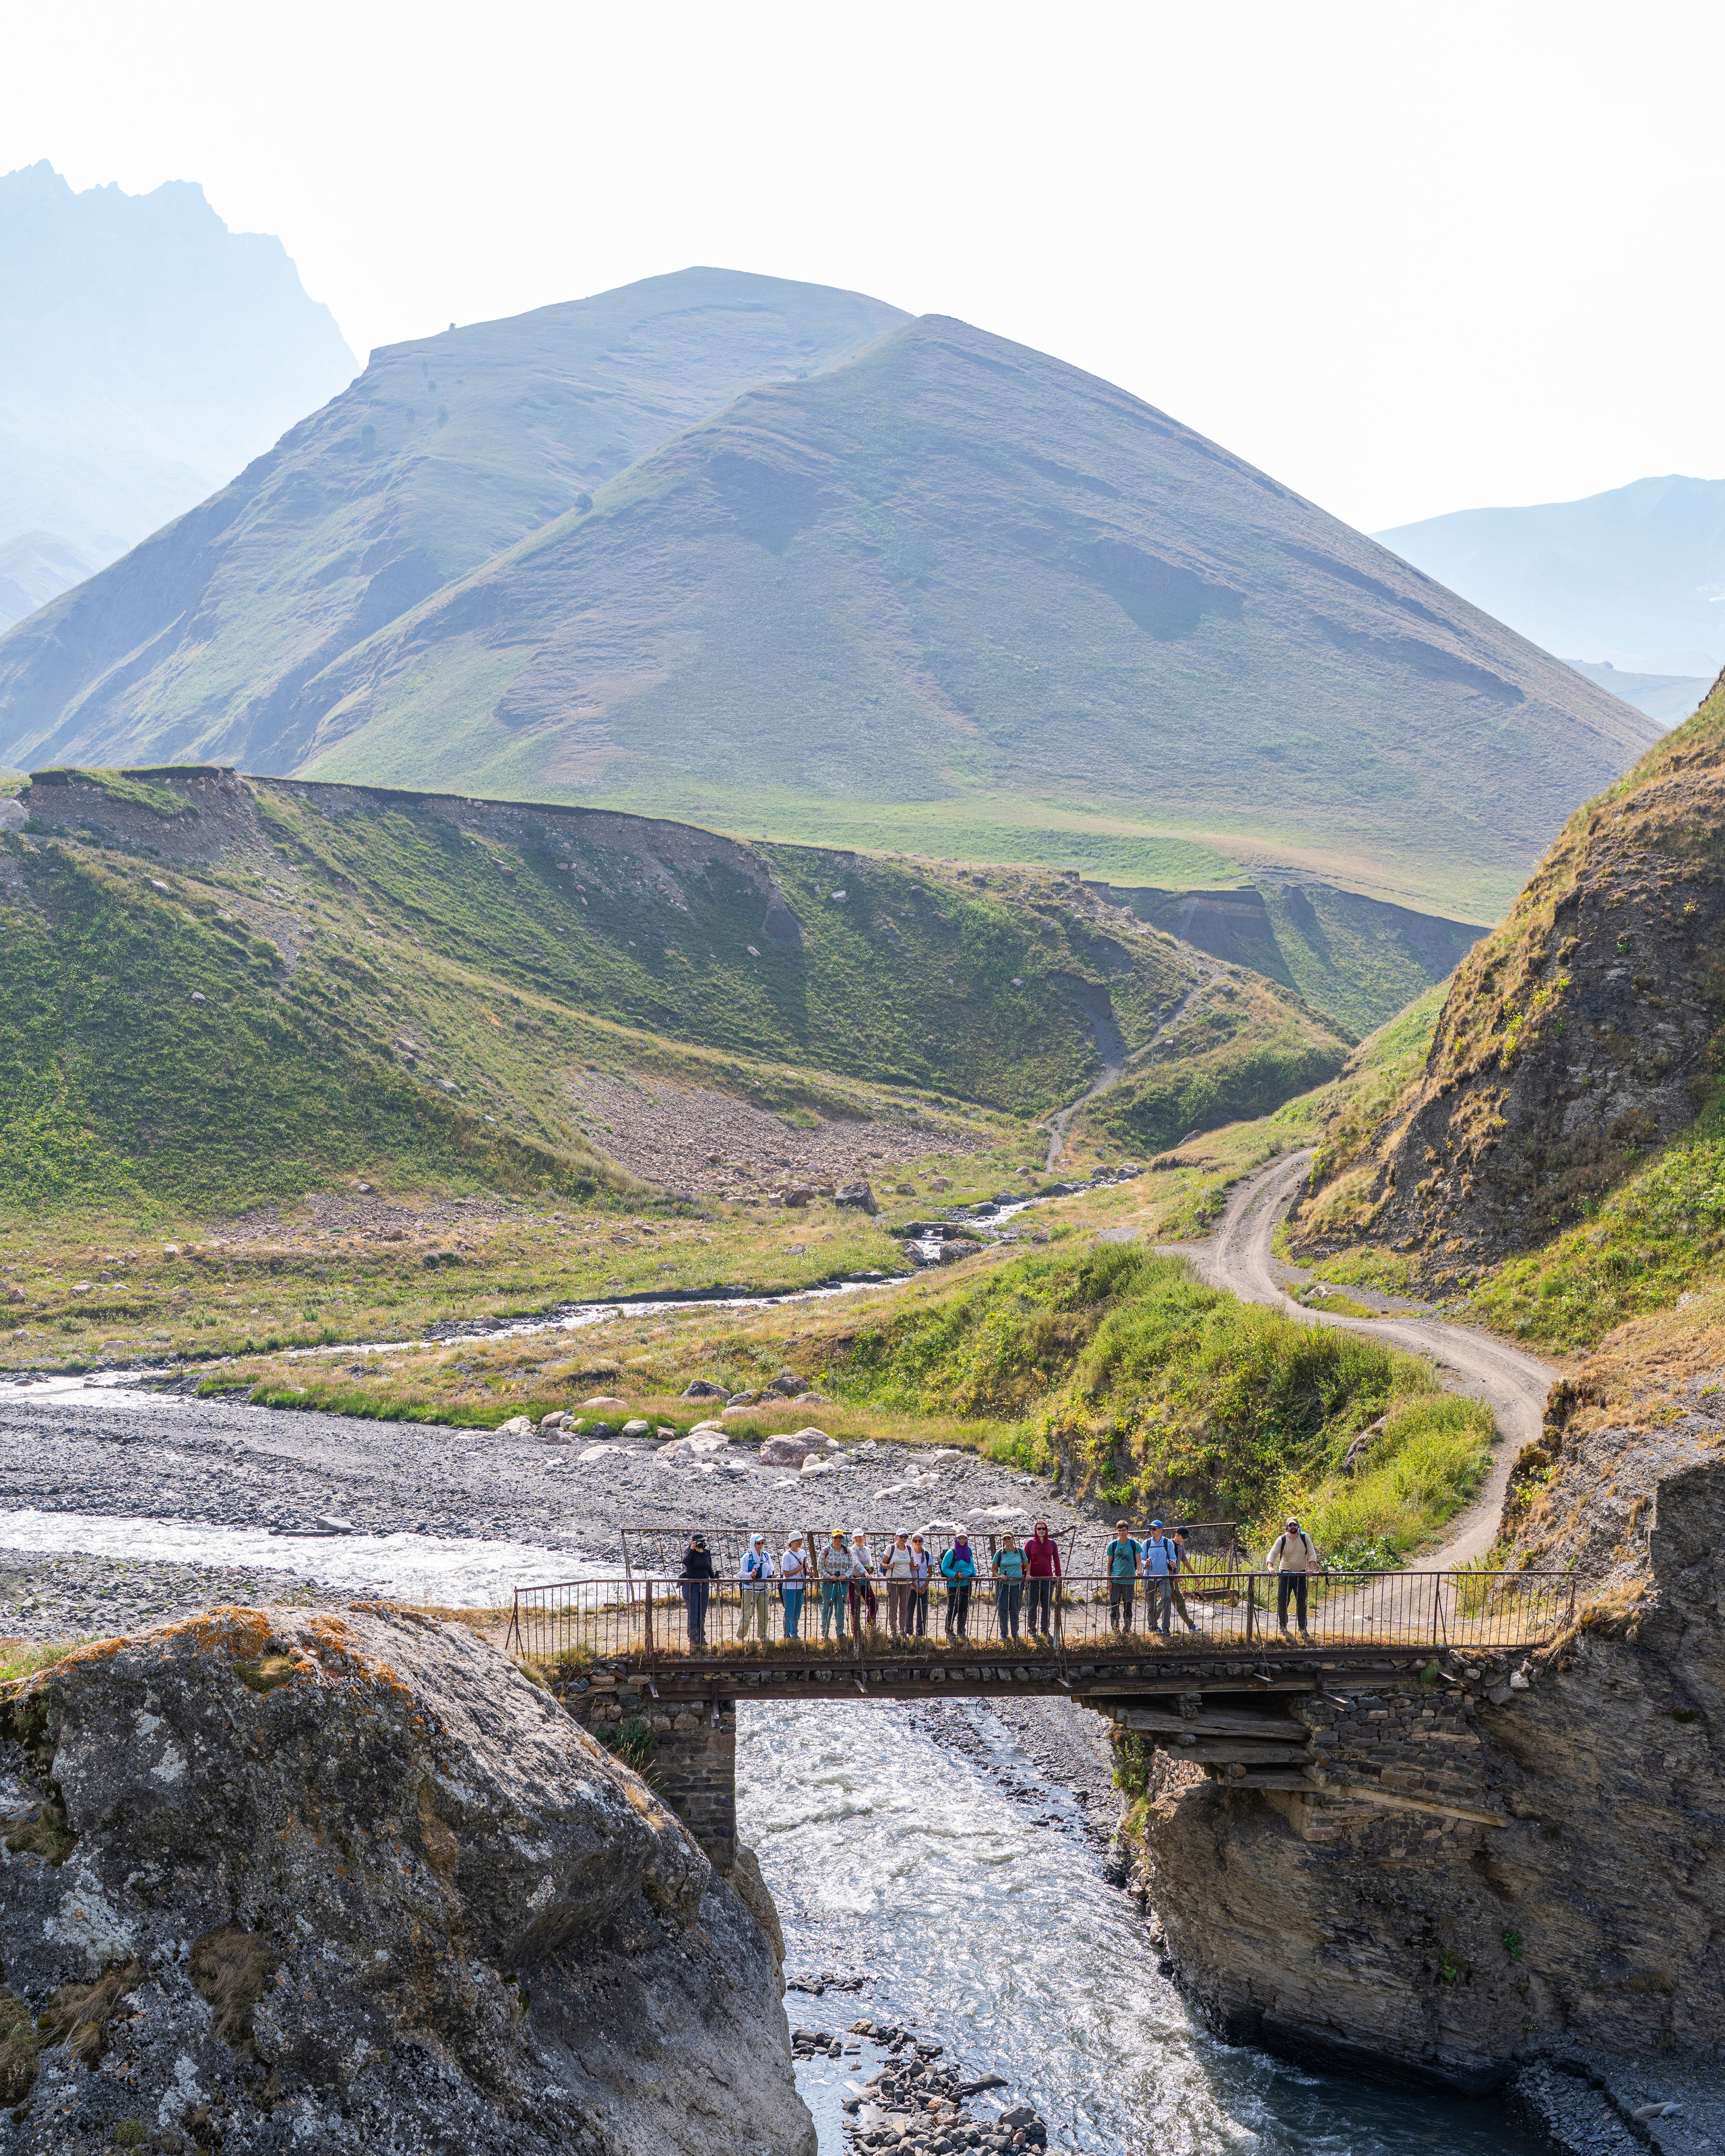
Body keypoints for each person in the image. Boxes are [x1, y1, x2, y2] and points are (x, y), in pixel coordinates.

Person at [1267, 1516, 1319, 1636]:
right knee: (1282, 1601)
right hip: (1284, 1574)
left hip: (1300, 1574)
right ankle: (1282, 1627)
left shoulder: (1305, 1538)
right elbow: (1273, 1553)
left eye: (1294, 1525)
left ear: (1298, 1526)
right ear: (1287, 1527)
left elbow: (1311, 1554)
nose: (1293, 1527)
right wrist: (1270, 1567)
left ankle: (1302, 1628)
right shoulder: (1282, 1539)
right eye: (1290, 1525)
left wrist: (1311, 1569)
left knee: (1301, 1602)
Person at [1141, 1520, 1179, 1639]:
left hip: (1164, 1576)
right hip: (1150, 1577)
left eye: (1154, 1529)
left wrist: (1173, 1564)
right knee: (1151, 1603)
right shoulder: (1146, 1543)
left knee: (1167, 1598)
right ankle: (1152, 1626)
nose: (1151, 1531)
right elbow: (1141, 1560)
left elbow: (1173, 1558)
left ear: (1161, 1530)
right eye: (1150, 1529)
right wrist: (1145, 1563)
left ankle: (1166, 1628)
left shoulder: (1168, 1543)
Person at [1025, 1520, 1061, 1641]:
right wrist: (1025, 1576)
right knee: (1033, 1605)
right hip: (1034, 1579)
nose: (1041, 1531)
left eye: (1043, 1529)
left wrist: (1058, 1577)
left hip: (1047, 1579)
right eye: (1039, 1529)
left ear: (1046, 1530)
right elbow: (1025, 1562)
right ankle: (1032, 1630)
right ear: (1035, 1530)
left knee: (1046, 1606)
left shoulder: (1052, 1543)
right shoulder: (1030, 1544)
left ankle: (1045, 1630)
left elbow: (1056, 1561)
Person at [1105, 1521, 1141, 1634]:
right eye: (1119, 1531)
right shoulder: (1113, 1545)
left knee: (1128, 1606)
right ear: (1117, 1531)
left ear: (1128, 1531)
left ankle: (1127, 1628)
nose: (1121, 1533)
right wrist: (1109, 1580)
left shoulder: (1134, 1544)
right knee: (1114, 1606)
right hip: (1116, 1580)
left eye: (1124, 1531)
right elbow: (1109, 1564)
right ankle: (1115, 1629)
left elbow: (1139, 1561)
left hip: (1129, 1581)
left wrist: (1139, 1571)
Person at [679, 1533, 715, 1647]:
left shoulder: (706, 1553)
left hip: (704, 1585)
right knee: (693, 1612)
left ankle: (701, 1634)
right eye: (699, 1541)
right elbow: (685, 1562)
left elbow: (709, 1568)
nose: (702, 1544)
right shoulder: (689, 1552)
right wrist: (691, 1550)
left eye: (703, 1541)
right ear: (693, 1542)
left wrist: (714, 1578)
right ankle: (693, 1635)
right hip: (691, 1585)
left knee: (702, 1611)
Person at [739, 1532, 775, 1641]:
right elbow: (742, 1574)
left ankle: (763, 1635)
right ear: (753, 1544)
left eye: (762, 1543)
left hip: (763, 1588)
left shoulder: (766, 1556)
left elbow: (770, 1569)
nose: (761, 1545)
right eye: (758, 1543)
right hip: (750, 1589)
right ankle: (741, 1635)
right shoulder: (747, 1557)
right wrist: (751, 1575)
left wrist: (772, 1576)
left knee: (764, 1613)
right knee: (747, 1613)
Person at [941, 1534, 976, 1638]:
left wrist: (974, 1575)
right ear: (956, 1539)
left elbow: (971, 1564)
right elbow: (945, 1567)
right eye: (959, 1538)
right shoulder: (951, 1552)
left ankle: (961, 1632)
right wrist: (955, 1575)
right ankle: (949, 1630)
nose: (962, 1540)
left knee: (964, 1608)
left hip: (967, 1584)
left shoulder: (968, 1550)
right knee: (953, 1608)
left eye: (964, 1538)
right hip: (954, 1585)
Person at [881, 1531, 916, 1635]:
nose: (903, 1538)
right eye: (901, 1536)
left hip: (907, 1581)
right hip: (893, 1580)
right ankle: (893, 1631)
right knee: (893, 1606)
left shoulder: (909, 1549)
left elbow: (911, 1565)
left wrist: (916, 1567)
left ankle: (902, 1630)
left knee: (904, 1607)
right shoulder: (890, 1548)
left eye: (906, 1537)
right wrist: (888, 1566)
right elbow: (882, 1563)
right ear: (896, 1537)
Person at [819, 1529, 852, 1639]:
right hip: (829, 1583)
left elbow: (851, 1566)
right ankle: (825, 1631)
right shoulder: (825, 1551)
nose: (838, 1540)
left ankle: (840, 1632)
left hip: (843, 1583)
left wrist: (845, 1575)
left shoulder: (847, 1551)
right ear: (832, 1539)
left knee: (841, 1607)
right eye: (836, 1538)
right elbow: (820, 1566)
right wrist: (828, 1576)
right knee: (827, 1607)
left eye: (840, 1538)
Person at [993, 1533, 1026, 1642]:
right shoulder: (999, 1553)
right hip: (1003, 1585)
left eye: (1009, 1538)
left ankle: (1015, 1633)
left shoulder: (1020, 1552)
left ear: (1013, 1538)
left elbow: (1026, 1565)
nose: (1007, 1540)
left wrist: (1028, 1575)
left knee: (1015, 1609)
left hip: (1017, 1585)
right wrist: (999, 1576)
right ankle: (1003, 1634)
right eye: (1005, 1539)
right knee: (1003, 1609)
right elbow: (993, 1568)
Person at [1168, 1526, 1199, 1633]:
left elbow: (1185, 1561)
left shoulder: (1181, 1545)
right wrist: (1173, 1576)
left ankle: (1153, 1625)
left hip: (1174, 1579)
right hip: (1169, 1578)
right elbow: (1164, 1563)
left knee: (1163, 1602)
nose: (1186, 1540)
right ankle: (1191, 1626)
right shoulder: (1169, 1545)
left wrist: (1194, 1575)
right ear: (1177, 1535)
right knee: (1179, 1601)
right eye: (1184, 1538)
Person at [779, 1533, 809, 1639]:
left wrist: (809, 1573)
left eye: (801, 1540)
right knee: (790, 1611)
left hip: (800, 1586)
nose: (799, 1542)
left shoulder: (803, 1553)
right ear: (791, 1542)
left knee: (797, 1611)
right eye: (797, 1540)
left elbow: (805, 1570)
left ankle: (794, 1633)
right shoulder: (787, 1555)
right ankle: (787, 1635)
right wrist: (801, 1567)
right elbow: (786, 1574)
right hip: (789, 1587)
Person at [848, 1530, 879, 1631]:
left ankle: (870, 1626)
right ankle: (855, 1629)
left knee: (873, 1603)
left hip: (865, 1582)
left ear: (864, 1537)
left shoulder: (867, 1549)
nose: (858, 1539)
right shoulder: (852, 1550)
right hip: (854, 1581)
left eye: (860, 1537)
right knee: (854, 1605)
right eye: (856, 1537)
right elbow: (856, 1562)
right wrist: (865, 1572)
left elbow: (870, 1561)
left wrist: (871, 1568)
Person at [908, 1533, 932, 1637]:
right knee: (910, 1609)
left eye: (920, 1541)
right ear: (912, 1542)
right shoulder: (909, 1554)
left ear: (922, 1542)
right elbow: (907, 1571)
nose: (918, 1543)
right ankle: (908, 1632)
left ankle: (920, 1633)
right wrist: (913, 1585)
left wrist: (925, 1586)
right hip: (911, 1586)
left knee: (922, 1610)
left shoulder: (927, 1554)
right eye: (915, 1541)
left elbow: (930, 1573)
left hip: (923, 1586)